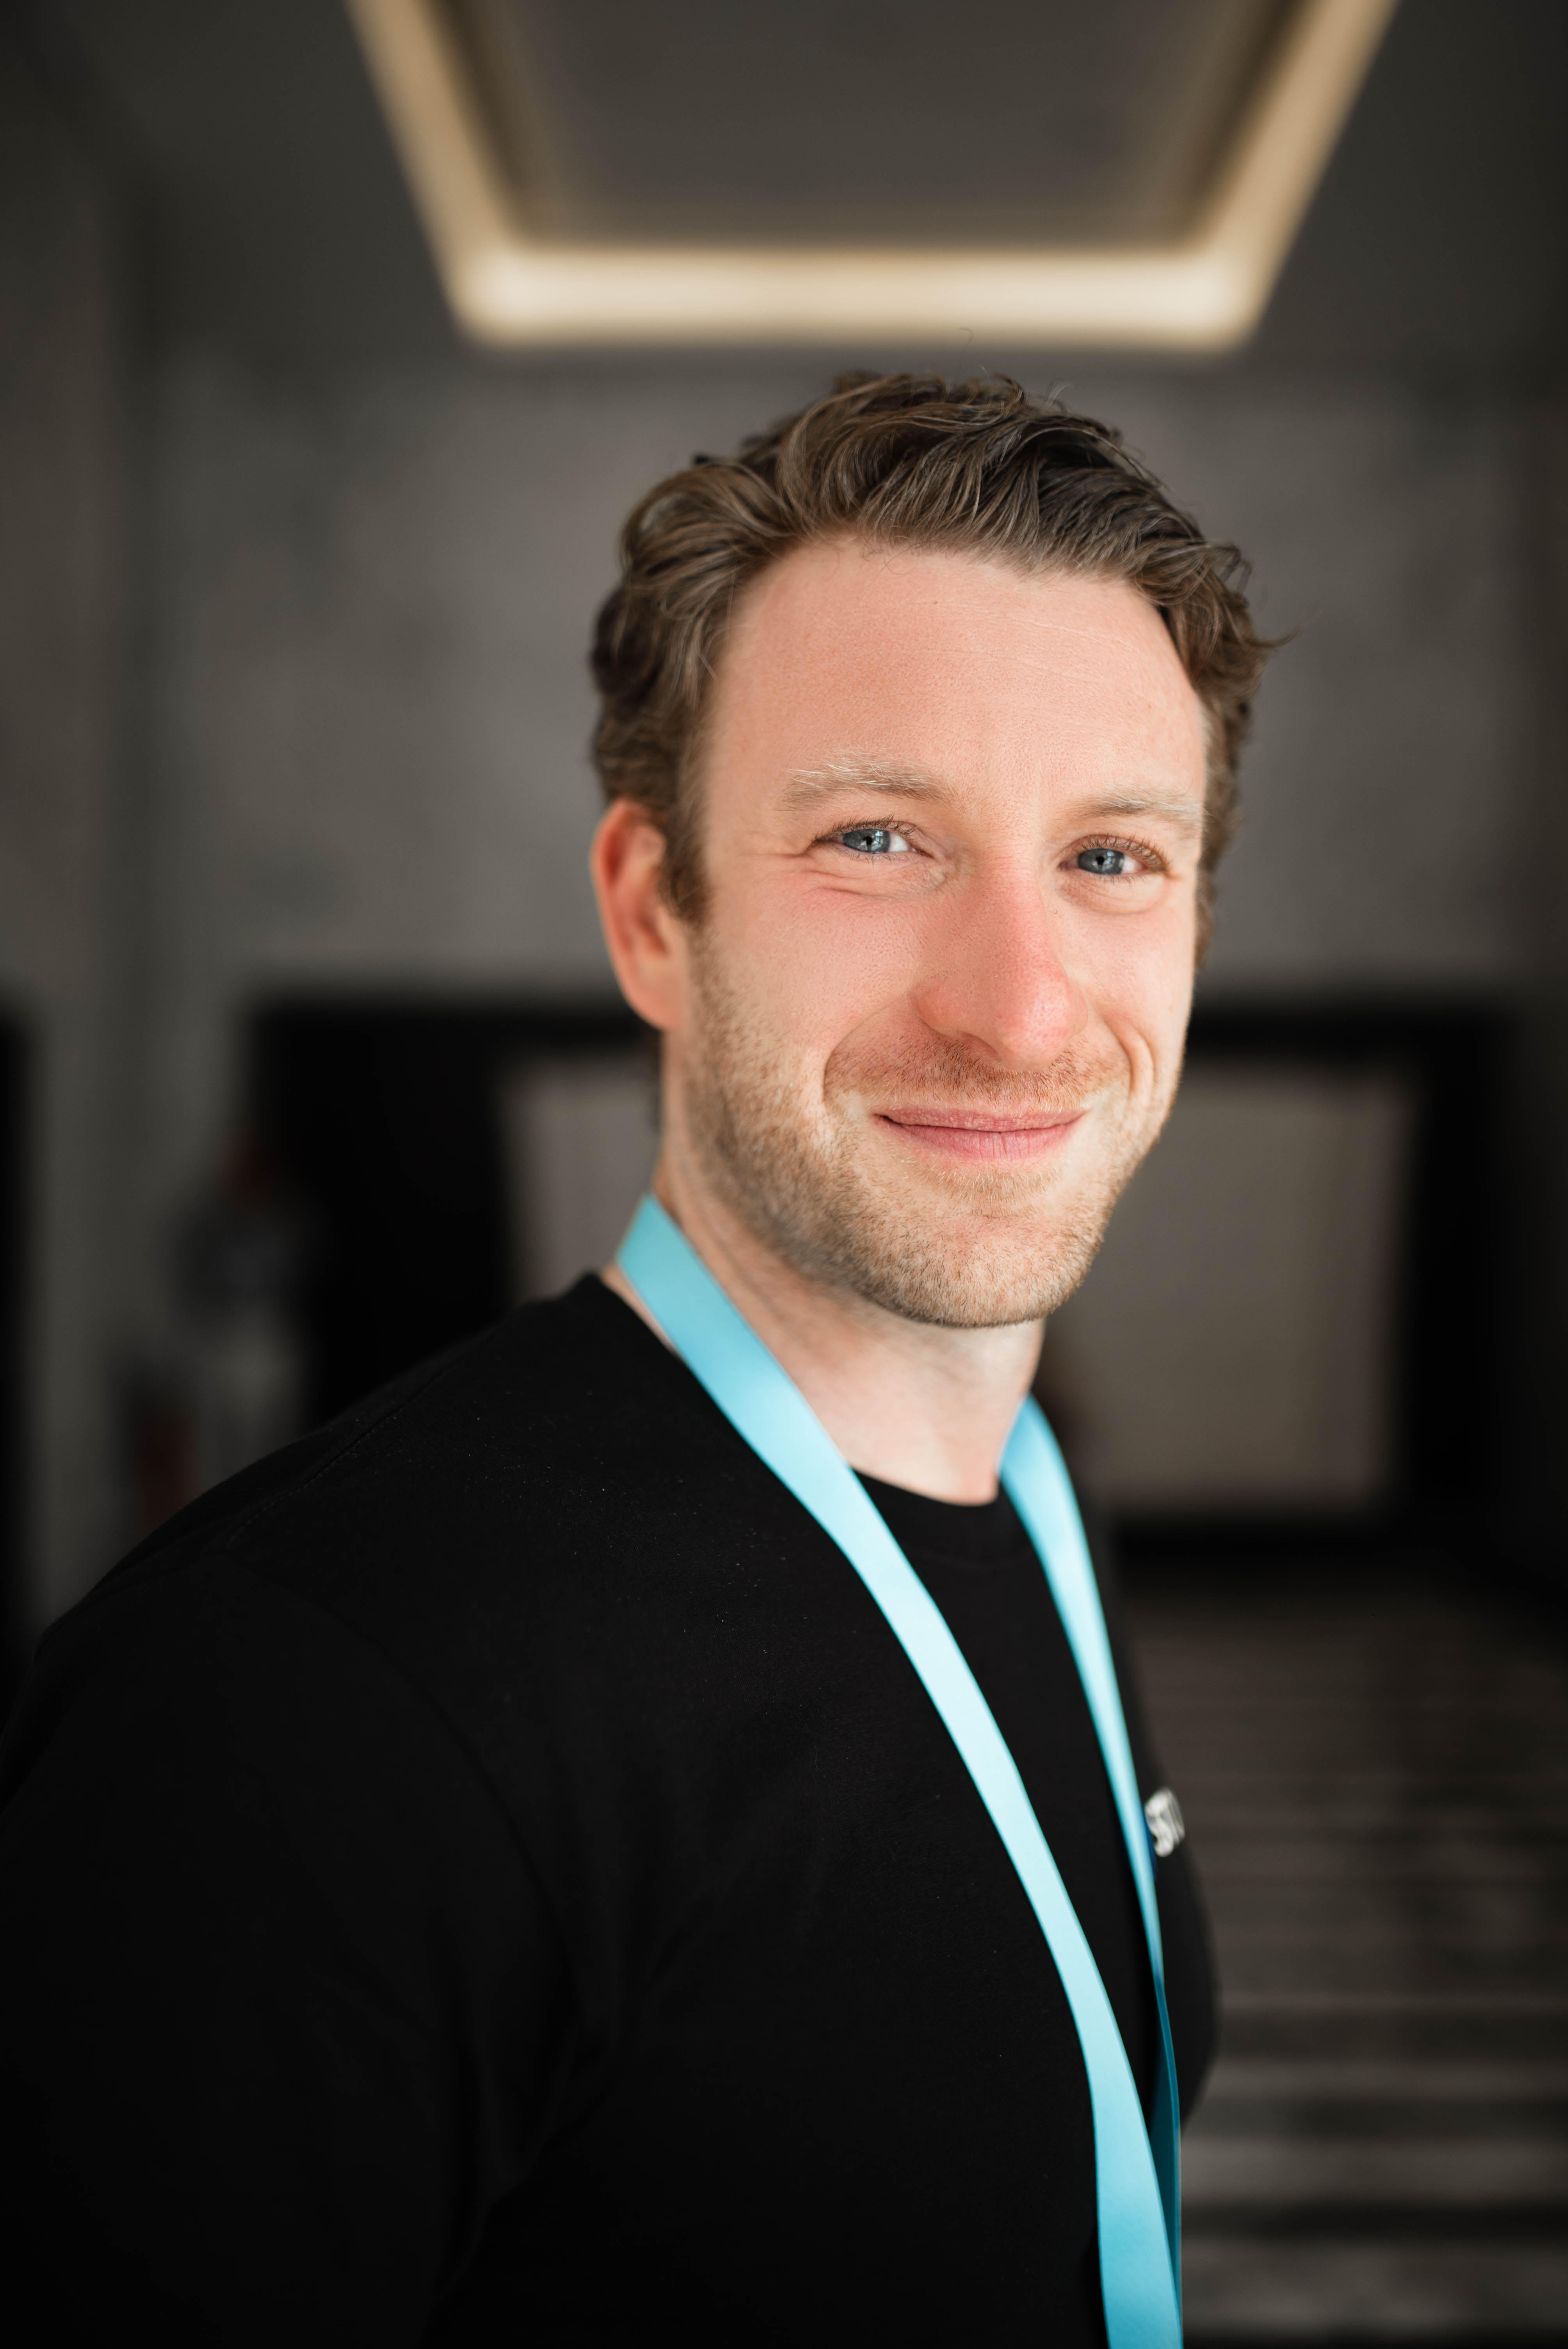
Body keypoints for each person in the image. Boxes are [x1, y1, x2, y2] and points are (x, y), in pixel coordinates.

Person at [0, 373, 1268, 2345]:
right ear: (649, 911)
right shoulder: (294, 1710)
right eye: (874, 836)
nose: (1020, 1011)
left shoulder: (1028, 1492)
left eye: (1111, 856)